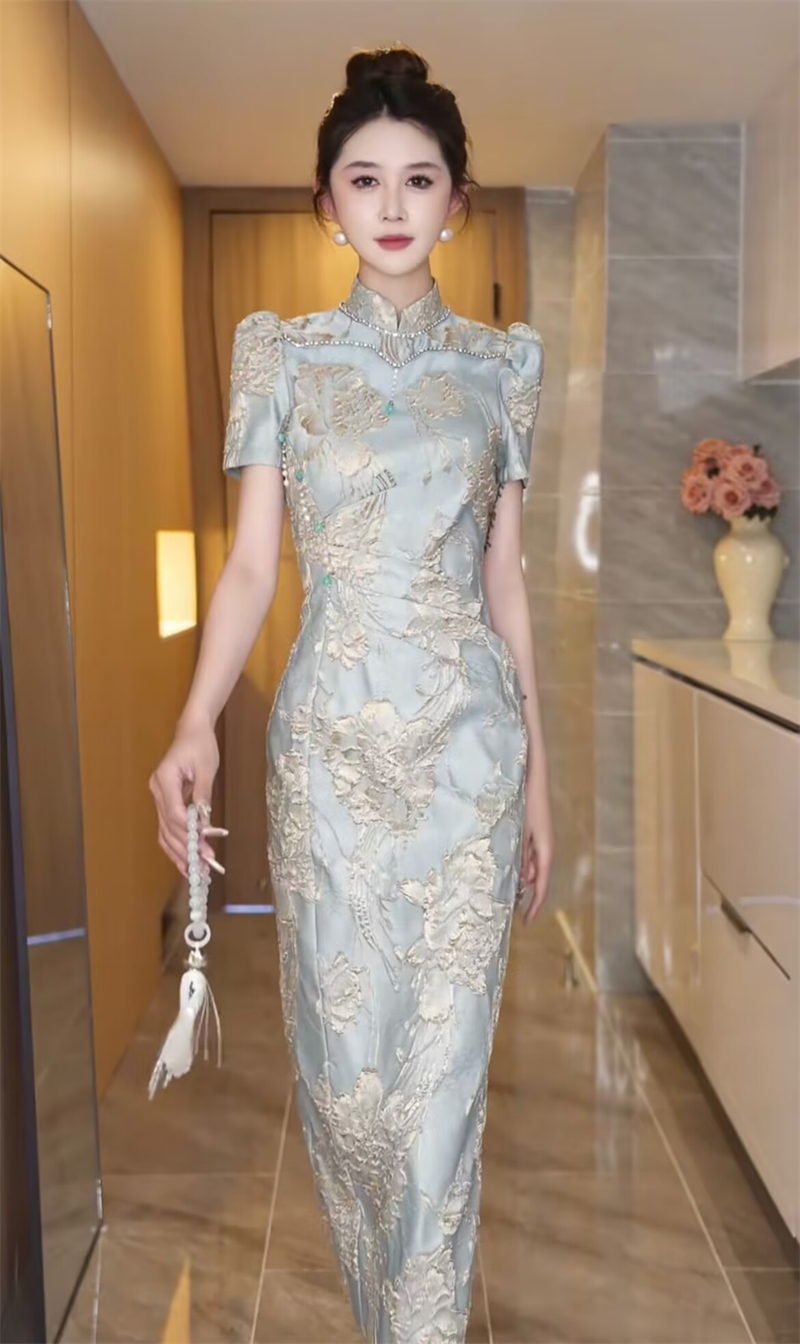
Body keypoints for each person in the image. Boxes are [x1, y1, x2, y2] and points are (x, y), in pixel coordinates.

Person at [149, 43, 554, 1344]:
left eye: (419, 179)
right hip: (328, 757)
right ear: (326, 202)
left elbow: (506, 583)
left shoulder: (502, 369)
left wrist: (539, 782)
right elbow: (252, 567)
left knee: (439, 1098)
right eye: (364, 179)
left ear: (456, 201)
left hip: (469, 761)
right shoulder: (279, 357)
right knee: (346, 1091)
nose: (392, 204)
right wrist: (196, 720)